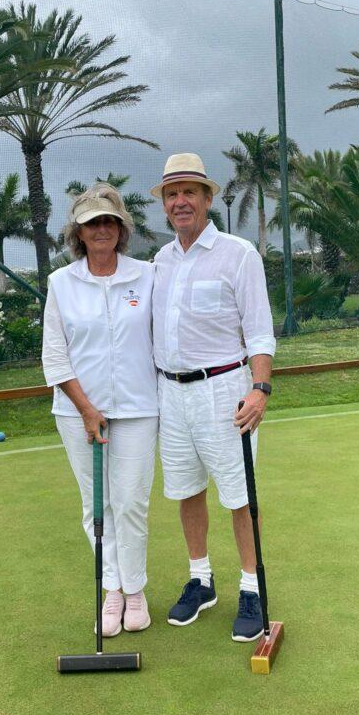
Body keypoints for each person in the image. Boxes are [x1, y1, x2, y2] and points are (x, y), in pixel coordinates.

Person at [151, 153, 276, 642]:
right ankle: (201, 581)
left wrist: (260, 388)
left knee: (239, 497)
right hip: (171, 393)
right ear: (164, 204)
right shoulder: (159, 262)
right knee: (186, 490)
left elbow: (260, 333)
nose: (181, 201)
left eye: (189, 192)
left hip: (225, 390)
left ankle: (251, 587)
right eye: (172, 194)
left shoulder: (239, 254)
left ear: (207, 198)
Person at [42, 184, 158, 636]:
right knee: (98, 506)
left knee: (130, 502)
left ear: (122, 228)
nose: (102, 229)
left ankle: (136, 590)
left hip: (137, 408)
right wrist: (87, 408)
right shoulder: (61, 283)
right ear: (79, 232)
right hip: (76, 413)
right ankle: (112, 589)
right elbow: (55, 356)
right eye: (93, 223)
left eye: (109, 221)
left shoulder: (147, 275)